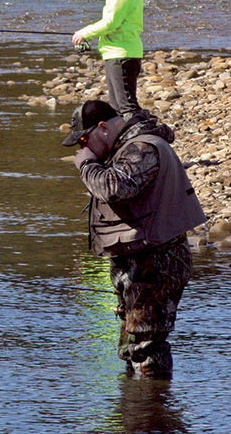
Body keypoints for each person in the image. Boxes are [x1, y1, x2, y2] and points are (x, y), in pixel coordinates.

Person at [62, 99, 205, 379]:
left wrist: (88, 164)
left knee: (146, 349)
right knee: (134, 348)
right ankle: (141, 411)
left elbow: (114, 188)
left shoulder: (142, 148)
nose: (83, 148)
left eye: (83, 139)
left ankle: (151, 414)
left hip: (156, 264)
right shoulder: (128, 148)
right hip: (142, 262)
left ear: (103, 128)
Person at [71, 0, 151, 118]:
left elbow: (110, 23)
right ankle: (124, 138)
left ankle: (144, 135)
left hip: (121, 55)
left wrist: (85, 33)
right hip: (118, 53)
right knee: (116, 107)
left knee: (126, 106)